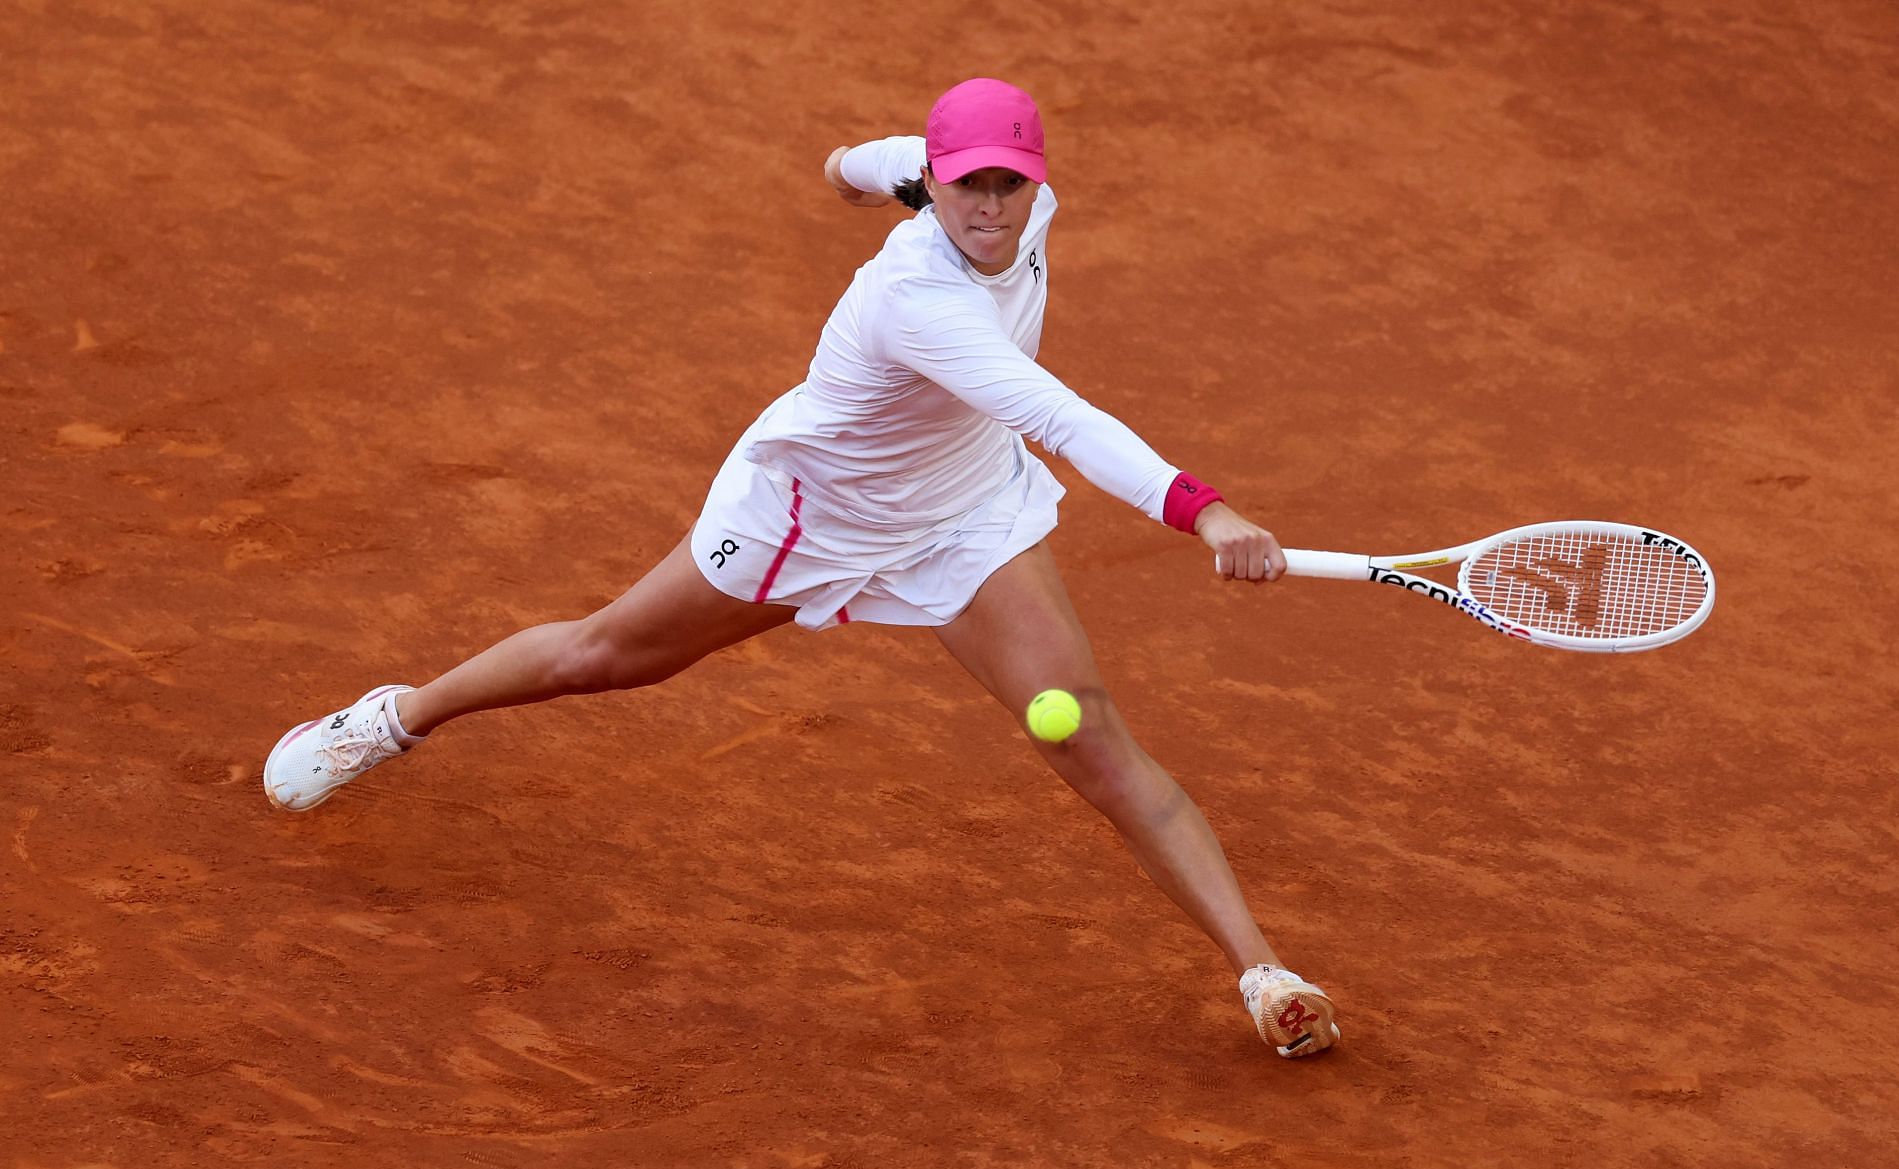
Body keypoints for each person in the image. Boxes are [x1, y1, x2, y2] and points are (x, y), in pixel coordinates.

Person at [264, 78, 1339, 1060]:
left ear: (1036, 181)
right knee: (606, 655)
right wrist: (1203, 512)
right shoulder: (920, 298)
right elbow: (1060, 414)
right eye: (970, 187)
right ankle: (397, 716)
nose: (991, 210)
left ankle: (1263, 971)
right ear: (946, 180)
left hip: (965, 512)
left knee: (1091, 734)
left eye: (1011, 185)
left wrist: (846, 169)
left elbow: (866, 165)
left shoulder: (984, 198)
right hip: (807, 517)